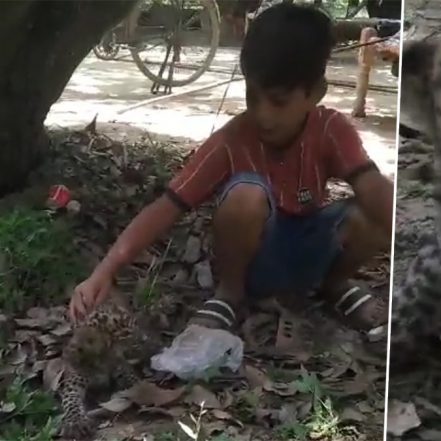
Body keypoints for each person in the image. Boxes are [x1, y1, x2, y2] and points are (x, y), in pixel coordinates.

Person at [69, 2, 393, 335]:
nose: (263, 114)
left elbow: (372, 188)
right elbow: (168, 205)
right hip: (256, 262)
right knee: (245, 194)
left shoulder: (331, 130)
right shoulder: (232, 140)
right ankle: (229, 293)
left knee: (378, 203)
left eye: (278, 101)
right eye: (253, 97)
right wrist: (104, 271)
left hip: (312, 252)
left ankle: (335, 285)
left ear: (316, 93)